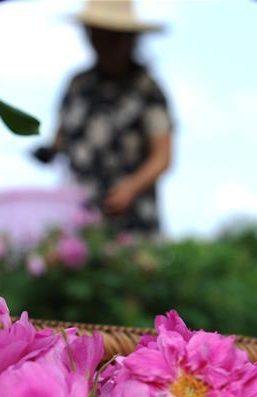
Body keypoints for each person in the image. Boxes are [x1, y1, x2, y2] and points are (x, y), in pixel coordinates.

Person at [33, 0, 173, 235]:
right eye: (98, 36)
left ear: (130, 39)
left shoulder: (147, 90)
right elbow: (61, 137)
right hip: (79, 216)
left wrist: (130, 189)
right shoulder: (78, 85)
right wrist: (49, 151)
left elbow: (163, 157)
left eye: (112, 37)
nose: (104, 44)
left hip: (133, 222)